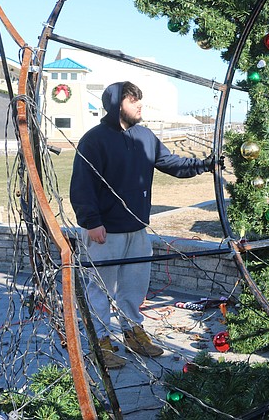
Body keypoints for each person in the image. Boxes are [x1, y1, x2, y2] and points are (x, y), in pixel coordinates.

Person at [70, 81, 218, 369]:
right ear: (116, 105)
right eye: (132, 100)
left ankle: (132, 332)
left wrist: (206, 164)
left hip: (137, 228)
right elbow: (82, 185)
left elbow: (172, 163)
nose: (140, 105)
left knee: (133, 286)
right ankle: (99, 342)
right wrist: (91, 223)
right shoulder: (94, 140)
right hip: (104, 231)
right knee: (101, 287)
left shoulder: (145, 137)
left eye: (140, 99)